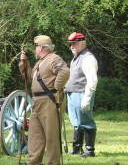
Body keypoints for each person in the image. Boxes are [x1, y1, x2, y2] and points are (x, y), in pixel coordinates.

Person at [18, 35, 70, 165]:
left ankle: (53, 163)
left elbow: (64, 71)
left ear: (41, 47)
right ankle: (33, 162)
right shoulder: (39, 62)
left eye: (36, 46)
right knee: (35, 136)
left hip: (50, 101)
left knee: (52, 137)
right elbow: (29, 76)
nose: (35, 49)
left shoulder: (54, 58)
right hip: (38, 102)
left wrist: (57, 87)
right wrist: (24, 63)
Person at [65, 32, 98, 157]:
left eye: (74, 43)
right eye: (71, 44)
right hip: (73, 93)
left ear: (82, 43)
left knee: (86, 121)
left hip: (82, 93)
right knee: (76, 122)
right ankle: (77, 147)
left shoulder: (88, 58)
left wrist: (87, 98)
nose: (72, 46)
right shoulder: (76, 57)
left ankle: (90, 150)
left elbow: (92, 80)